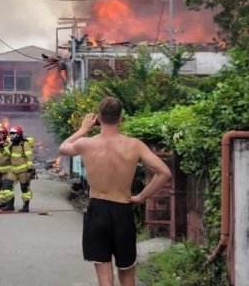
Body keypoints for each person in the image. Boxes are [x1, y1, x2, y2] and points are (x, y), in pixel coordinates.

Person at [59, 97, 172, 286]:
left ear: (99, 118)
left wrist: (83, 129)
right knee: (127, 271)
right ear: (120, 118)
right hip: (123, 211)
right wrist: (141, 197)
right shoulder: (134, 145)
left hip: (97, 211)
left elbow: (63, 147)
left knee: (104, 274)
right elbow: (164, 173)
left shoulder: (86, 143)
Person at [0, 125, 35, 213]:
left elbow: (29, 156)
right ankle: (10, 205)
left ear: (18, 134)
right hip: (13, 170)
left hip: (23, 171)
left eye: (13, 133)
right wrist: (2, 147)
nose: (11, 135)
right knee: (7, 186)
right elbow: (5, 153)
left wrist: (29, 169)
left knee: (24, 189)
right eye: (11, 133)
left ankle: (26, 207)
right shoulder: (12, 144)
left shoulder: (24, 143)